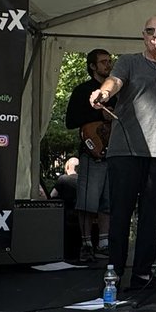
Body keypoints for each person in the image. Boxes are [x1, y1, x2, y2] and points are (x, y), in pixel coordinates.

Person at [89, 17, 156, 290]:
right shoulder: (129, 61)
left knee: (151, 216)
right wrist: (103, 92)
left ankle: (142, 275)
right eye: (150, 31)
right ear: (143, 35)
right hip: (126, 149)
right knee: (121, 213)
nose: (155, 36)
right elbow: (114, 81)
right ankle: (113, 273)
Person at [65, 48, 115, 262]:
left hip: (113, 152)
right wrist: (98, 113)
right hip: (91, 151)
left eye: (109, 61)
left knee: (108, 201)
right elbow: (71, 121)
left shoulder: (117, 89)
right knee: (87, 201)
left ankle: (104, 243)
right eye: (103, 62)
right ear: (93, 66)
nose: (108, 65)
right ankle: (86, 244)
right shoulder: (82, 91)